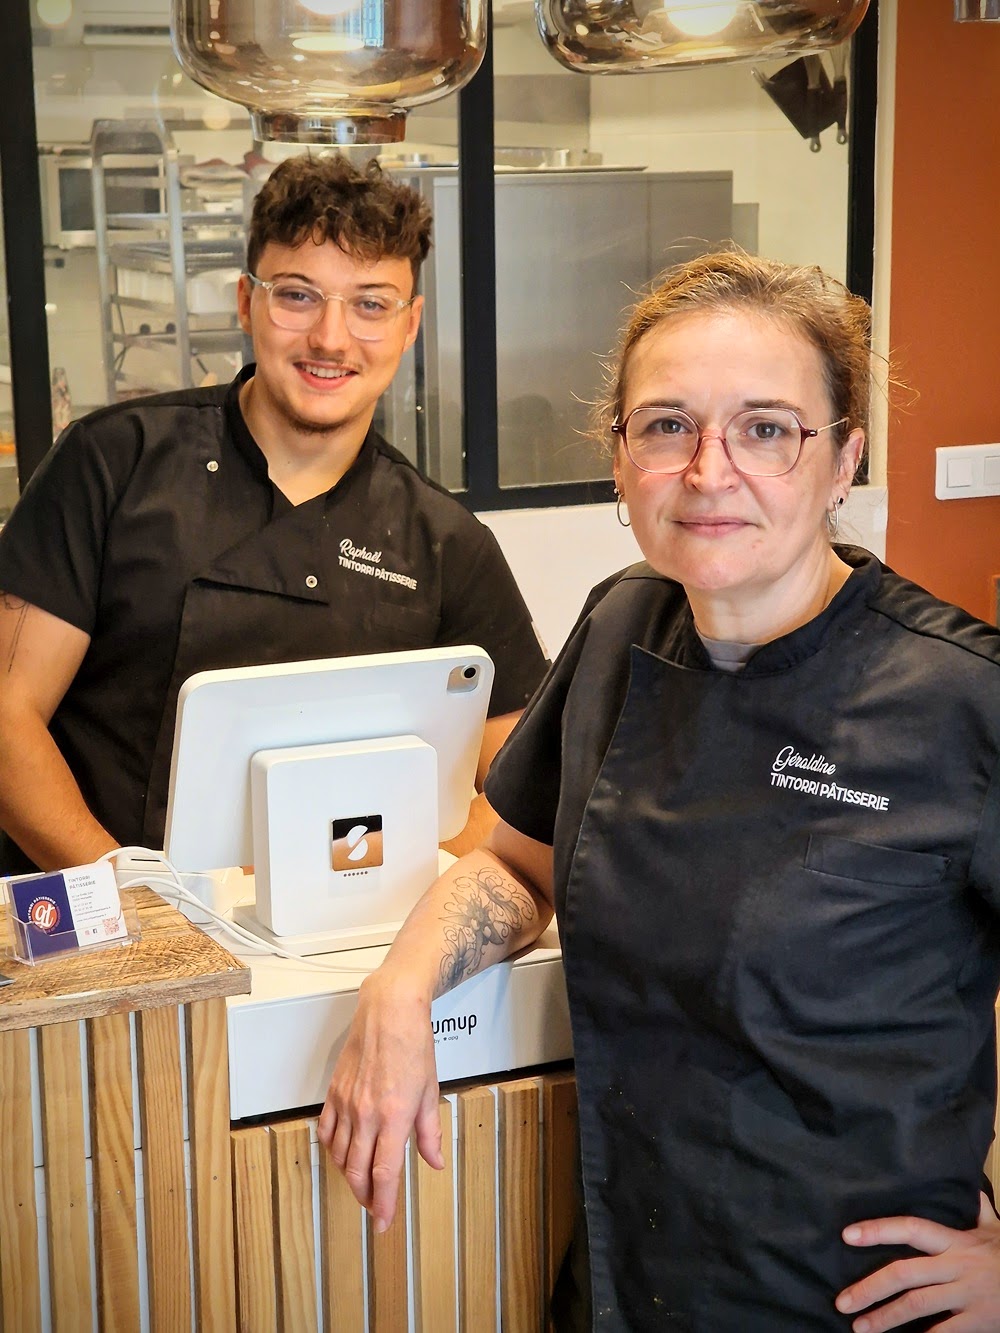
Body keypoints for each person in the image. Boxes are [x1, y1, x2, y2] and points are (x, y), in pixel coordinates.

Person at [318, 250, 1000, 1331]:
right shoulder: (619, 623)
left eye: (767, 428)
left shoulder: (960, 698)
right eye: (667, 425)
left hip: (850, 1302)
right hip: (626, 1279)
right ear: (620, 458)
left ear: (844, 462)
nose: (709, 470)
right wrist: (401, 992)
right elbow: (509, 860)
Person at [0, 154, 547, 874]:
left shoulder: (446, 544)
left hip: (327, 947)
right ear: (245, 301)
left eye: (372, 304)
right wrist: (137, 905)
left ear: (411, 325)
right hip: (102, 919)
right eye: (297, 295)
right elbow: (8, 717)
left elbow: (523, 788)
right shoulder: (113, 463)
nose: (330, 338)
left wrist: (399, 880)